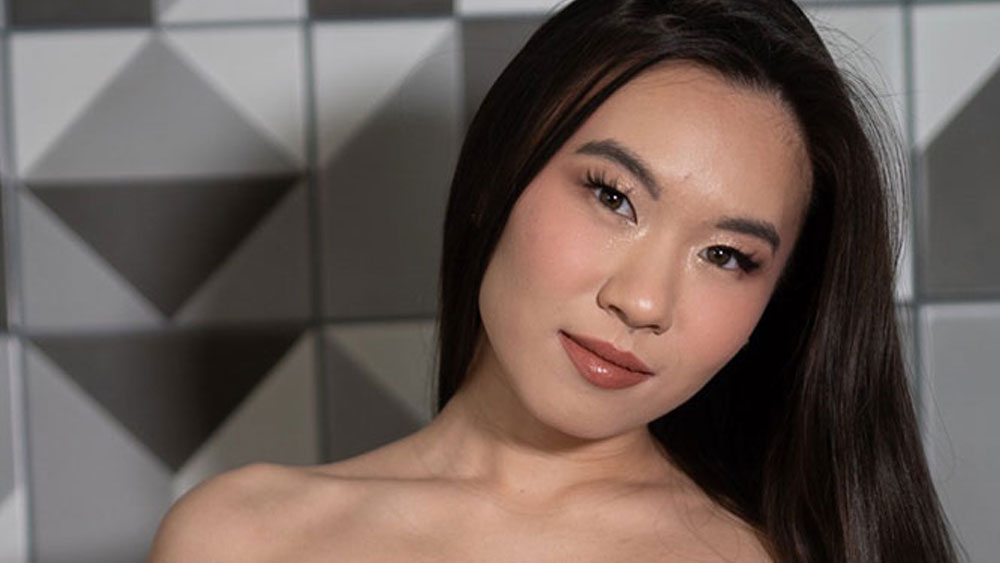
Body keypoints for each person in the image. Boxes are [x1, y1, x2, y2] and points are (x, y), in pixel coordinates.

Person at [148, 0, 961, 561]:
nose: (643, 301)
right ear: (503, 173)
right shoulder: (241, 538)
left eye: (726, 256)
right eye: (613, 197)